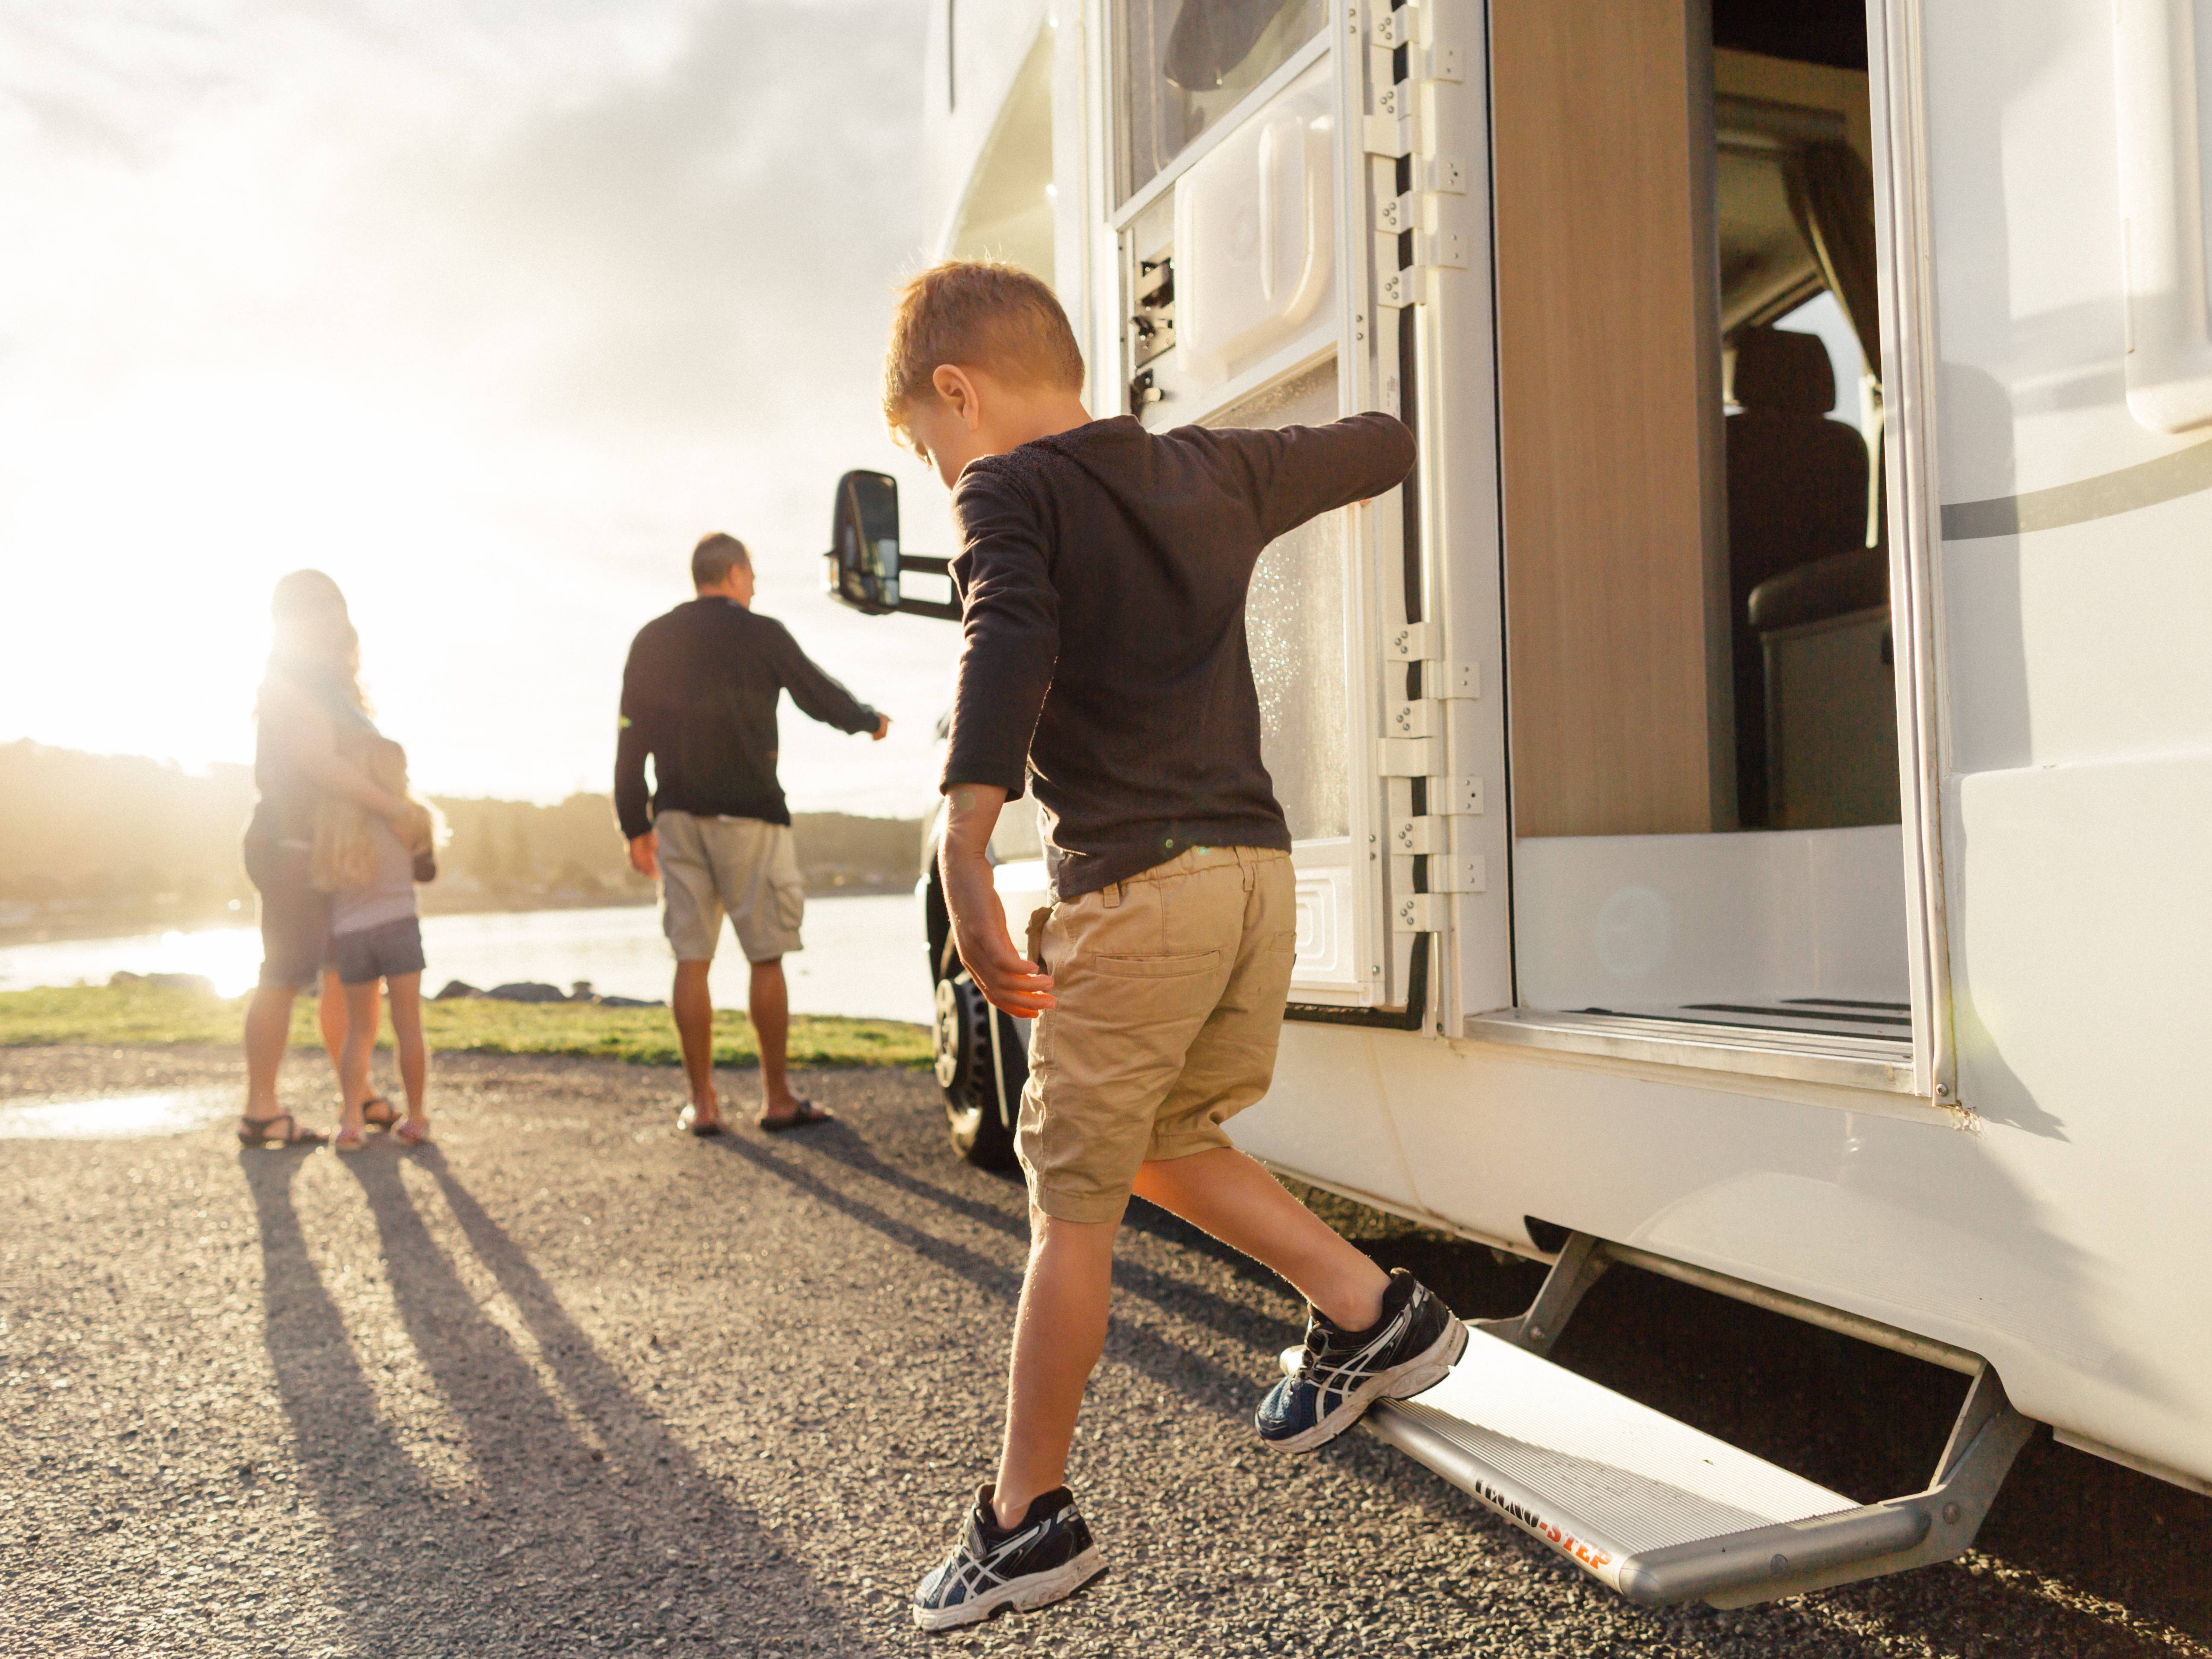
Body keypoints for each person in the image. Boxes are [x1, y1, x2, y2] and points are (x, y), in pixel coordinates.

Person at [888, 261, 1463, 1631]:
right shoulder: (1208, 467)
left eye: (924, 444)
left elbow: (1004, 635)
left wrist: (966, 841)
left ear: (957, 391)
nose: (938, 470)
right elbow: (1376, 444)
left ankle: (1023, 1521)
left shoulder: (1006, 494)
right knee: (1160, 1133)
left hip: (1137, 885)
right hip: (1250, 876)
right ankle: (1369, 1311)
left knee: (1068, 1197)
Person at [613, 532, 890, 1135]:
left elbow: (630, 735)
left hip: (678, 817)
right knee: (766, 955)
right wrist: (867, 721)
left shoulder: (652, 639)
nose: (756, 585)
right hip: (752, 815)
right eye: (753, 574)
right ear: (735, 573)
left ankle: (704, 1104)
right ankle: (776, 1098)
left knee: (692, 957)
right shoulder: (761, 632)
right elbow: (815, 692)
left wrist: (634, 822)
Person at [237, 571, 419, 1149]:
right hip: (291, 844)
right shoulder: (295, 680)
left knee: (343, 973)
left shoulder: (327, 683)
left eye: (334, 607)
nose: (331, 620)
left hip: (324, 851)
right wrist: (393, 808)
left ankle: (356, 1094)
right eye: (317, 610)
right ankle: (262, 1108)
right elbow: (317, 761)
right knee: (285, 975)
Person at [312, 734, 439, 1152]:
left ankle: (351, 1124)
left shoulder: (334, 819)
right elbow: (427, 872)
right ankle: (416, 1118)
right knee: (408, 1026)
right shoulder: (409, 816)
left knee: (359, 1031)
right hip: (398, 925)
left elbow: (324, 883)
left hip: (351, 932)